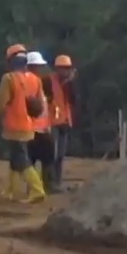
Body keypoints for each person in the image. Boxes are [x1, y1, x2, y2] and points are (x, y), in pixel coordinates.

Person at [0, 44, 47, 204]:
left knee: (20, 159)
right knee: (14, 158)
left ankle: (37, 189)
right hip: (29, 126)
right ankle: (10, 190)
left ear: (11, 61)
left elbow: (0, 104)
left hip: (14, 126)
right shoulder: (36, 80)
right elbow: (40, 106)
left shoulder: (9, 79)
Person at [24, 51, 57, 192]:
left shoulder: (40, 82)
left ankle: (42, 186)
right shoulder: (28, 82)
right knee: (38, 157)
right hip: (32, 128)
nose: (39, 69)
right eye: (36, 66)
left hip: (40, 127)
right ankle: (39, 187)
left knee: (42, 157)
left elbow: (47, 102)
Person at [48, 54, 77, 191]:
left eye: (68, 69)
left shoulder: (69, 85)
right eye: (63, 69)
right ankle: (50, 183)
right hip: (52, 122)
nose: (66, 71)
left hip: (65, 121)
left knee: (60, 155)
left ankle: (57, 183)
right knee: (52, 155)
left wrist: (70, 84)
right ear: (57, 69)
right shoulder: (49, 81)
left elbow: (74, 101)